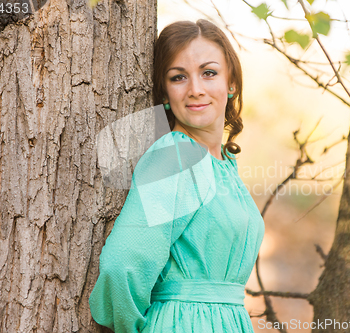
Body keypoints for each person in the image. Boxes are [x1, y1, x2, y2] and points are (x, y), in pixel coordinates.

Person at [89, 19, 265, 333]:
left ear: (231, 83)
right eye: (178, 77)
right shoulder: (177, 157)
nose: (196, 89)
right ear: (165, 93)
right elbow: (123, 265)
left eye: (209, 73)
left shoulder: (223, 165)